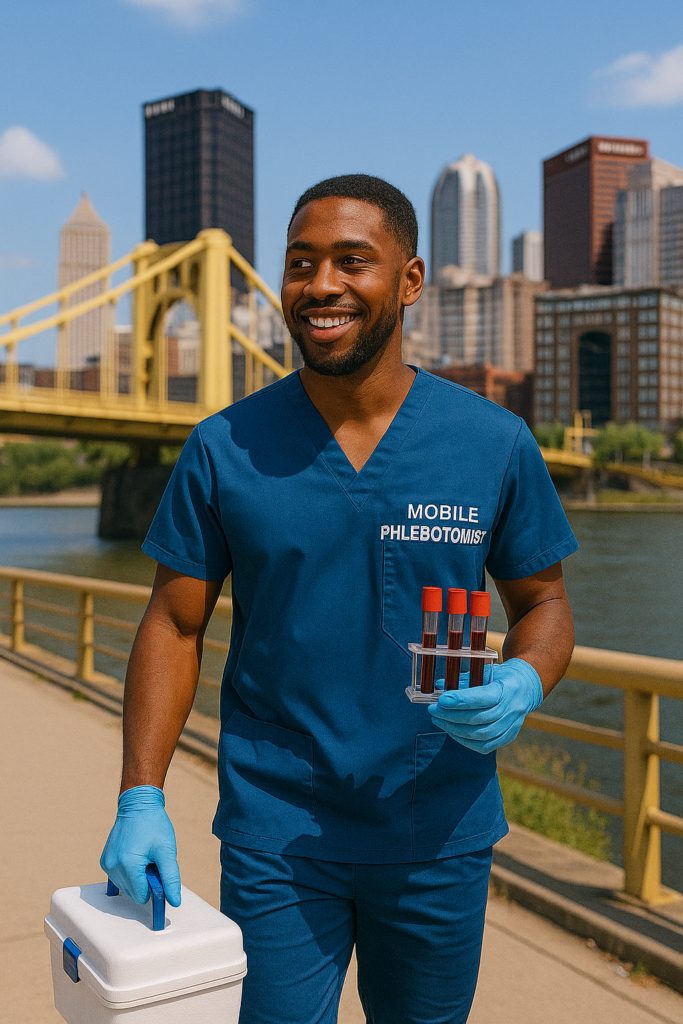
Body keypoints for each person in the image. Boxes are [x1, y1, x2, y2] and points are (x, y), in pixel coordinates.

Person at [101, 174, 577, 1024]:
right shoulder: (222, 448)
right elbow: (174, 624)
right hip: (277, 829)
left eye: (352, 261)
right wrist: (142, 793)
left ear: (410, 279)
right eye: (300, 263)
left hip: (439, 826)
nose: (321, 286)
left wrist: (524, 680)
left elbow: (543, 604)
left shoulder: (492, 442)